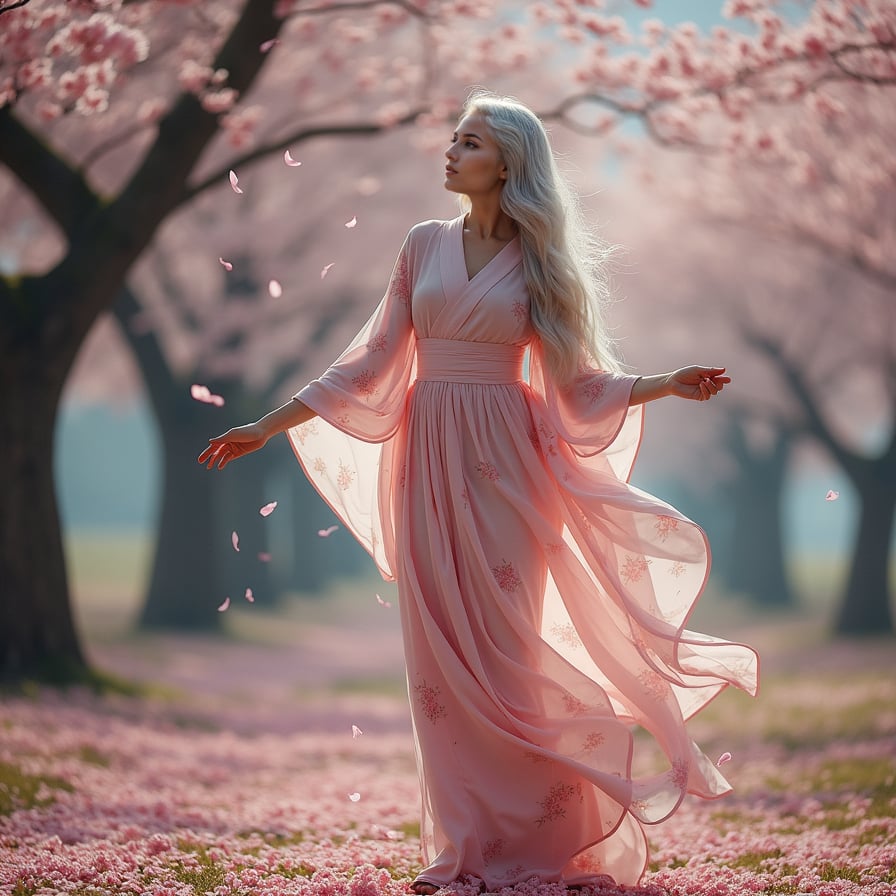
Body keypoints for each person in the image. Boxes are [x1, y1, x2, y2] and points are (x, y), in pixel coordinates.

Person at [199, 89, 758, 894]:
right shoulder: (421, 245)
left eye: (470, 143)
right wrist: (269, 423)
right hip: (426, 462)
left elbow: (577, 384)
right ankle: (460, 845)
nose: (451, 153)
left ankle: (545, 830)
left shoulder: (541, 263)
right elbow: (369, 364)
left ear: (509, 164)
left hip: (507, 470)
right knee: (437, 661)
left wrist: (662, 385)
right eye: (454, 140)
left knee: (503, 657)